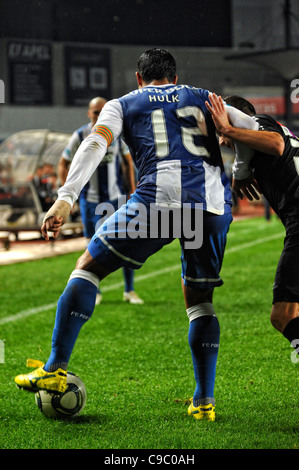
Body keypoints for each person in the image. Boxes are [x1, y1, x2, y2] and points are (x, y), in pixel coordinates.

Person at [15, 49, 251, 421]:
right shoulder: (206, 96)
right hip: (212, 208)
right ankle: (204, 402)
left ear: (139, 79)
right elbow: (254, 130)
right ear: (175, 76)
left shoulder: (122, 103)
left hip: (158, 201)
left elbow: (95, 143)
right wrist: (242, 169)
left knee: (88, 268)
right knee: (200, 302)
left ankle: (55, 367)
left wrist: (65, 198)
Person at [206, 93, 299, 354]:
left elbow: (276, 144)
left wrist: (227, 128)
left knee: (283, 315)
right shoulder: (254, 147)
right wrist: (241, 168)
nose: (222, 140)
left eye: (221, 131)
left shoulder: (259, 124)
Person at [58, 97, 143, 305]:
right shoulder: (80, 135)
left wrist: (132, 190)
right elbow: (63, 164)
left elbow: (127, 162)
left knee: (126, 243)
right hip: (91, 200)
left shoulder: (116, 133)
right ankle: (95, 292)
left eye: (102, 111)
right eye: (95, 112)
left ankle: (129, 290)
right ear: (89, 114)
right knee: (91, 246)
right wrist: (69, 196)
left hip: (115, 197)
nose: (98, 115)